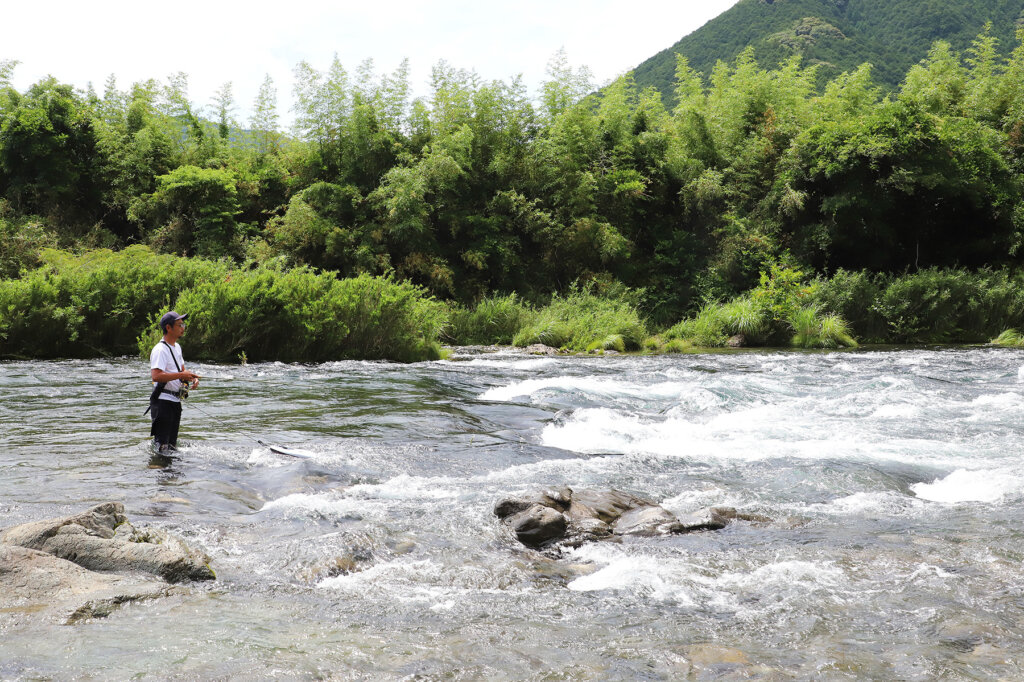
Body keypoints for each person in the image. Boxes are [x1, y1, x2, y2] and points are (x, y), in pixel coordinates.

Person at [148, 311, 200, 453]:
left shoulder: (177, 347)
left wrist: (192, 378)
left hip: (175, 402)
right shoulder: (160, 350)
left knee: (171, 446)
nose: (183, 327)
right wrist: (182, 374)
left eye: (183, 324)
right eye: (179, 325)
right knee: (162, 447)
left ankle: (171, 474)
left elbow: (182, 371)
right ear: (168, 328)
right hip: (163, 403)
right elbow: (156, 376)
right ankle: (159, 470)